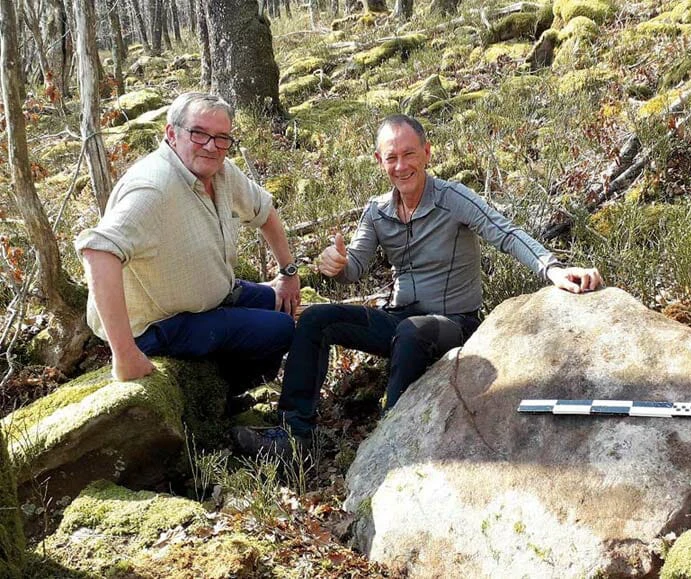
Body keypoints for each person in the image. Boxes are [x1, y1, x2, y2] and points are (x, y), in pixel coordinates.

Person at [232, 114, 601, 457]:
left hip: (453, 324)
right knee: (316, 320)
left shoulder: (452, 197)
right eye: (392, 157)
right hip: (398, 320)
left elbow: (504, 232)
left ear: (426, 153)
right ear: (379, 161)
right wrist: (337, 265)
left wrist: (551, 268)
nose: (401, 165)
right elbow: (355, 267)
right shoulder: (376, 211)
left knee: (411, 331)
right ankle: (294, 435)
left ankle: (390, 440)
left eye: (410, 154)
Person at [75, 92, 301, 398]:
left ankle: (224, 387)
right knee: (280, 329)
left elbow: (264, 210)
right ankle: (217, 396)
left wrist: (288, 273)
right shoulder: (153, 186)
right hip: (159, 326)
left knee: (280, 302)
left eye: (222, 137)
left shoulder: (219, 170)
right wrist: (125, 355)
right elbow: (98, 251)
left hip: (211, 298)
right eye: (199, 133)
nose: (211, 146)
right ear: (172, 134)